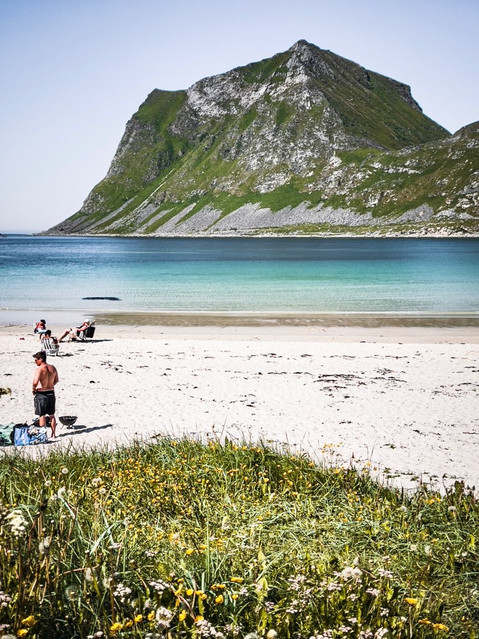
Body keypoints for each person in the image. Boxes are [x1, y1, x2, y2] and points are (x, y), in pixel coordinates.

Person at [32, 351, 59, 439]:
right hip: (51, 392)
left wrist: (33, 389)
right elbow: (56, 380)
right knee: (52, 415)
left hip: (41, 393)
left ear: (41, 359)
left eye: (36, 360)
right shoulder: (53, 368)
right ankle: (53, 434)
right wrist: (50, 385)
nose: (35, 362)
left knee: (42, 415)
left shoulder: (39, 369)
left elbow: (35, 382)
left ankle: (43, 436)